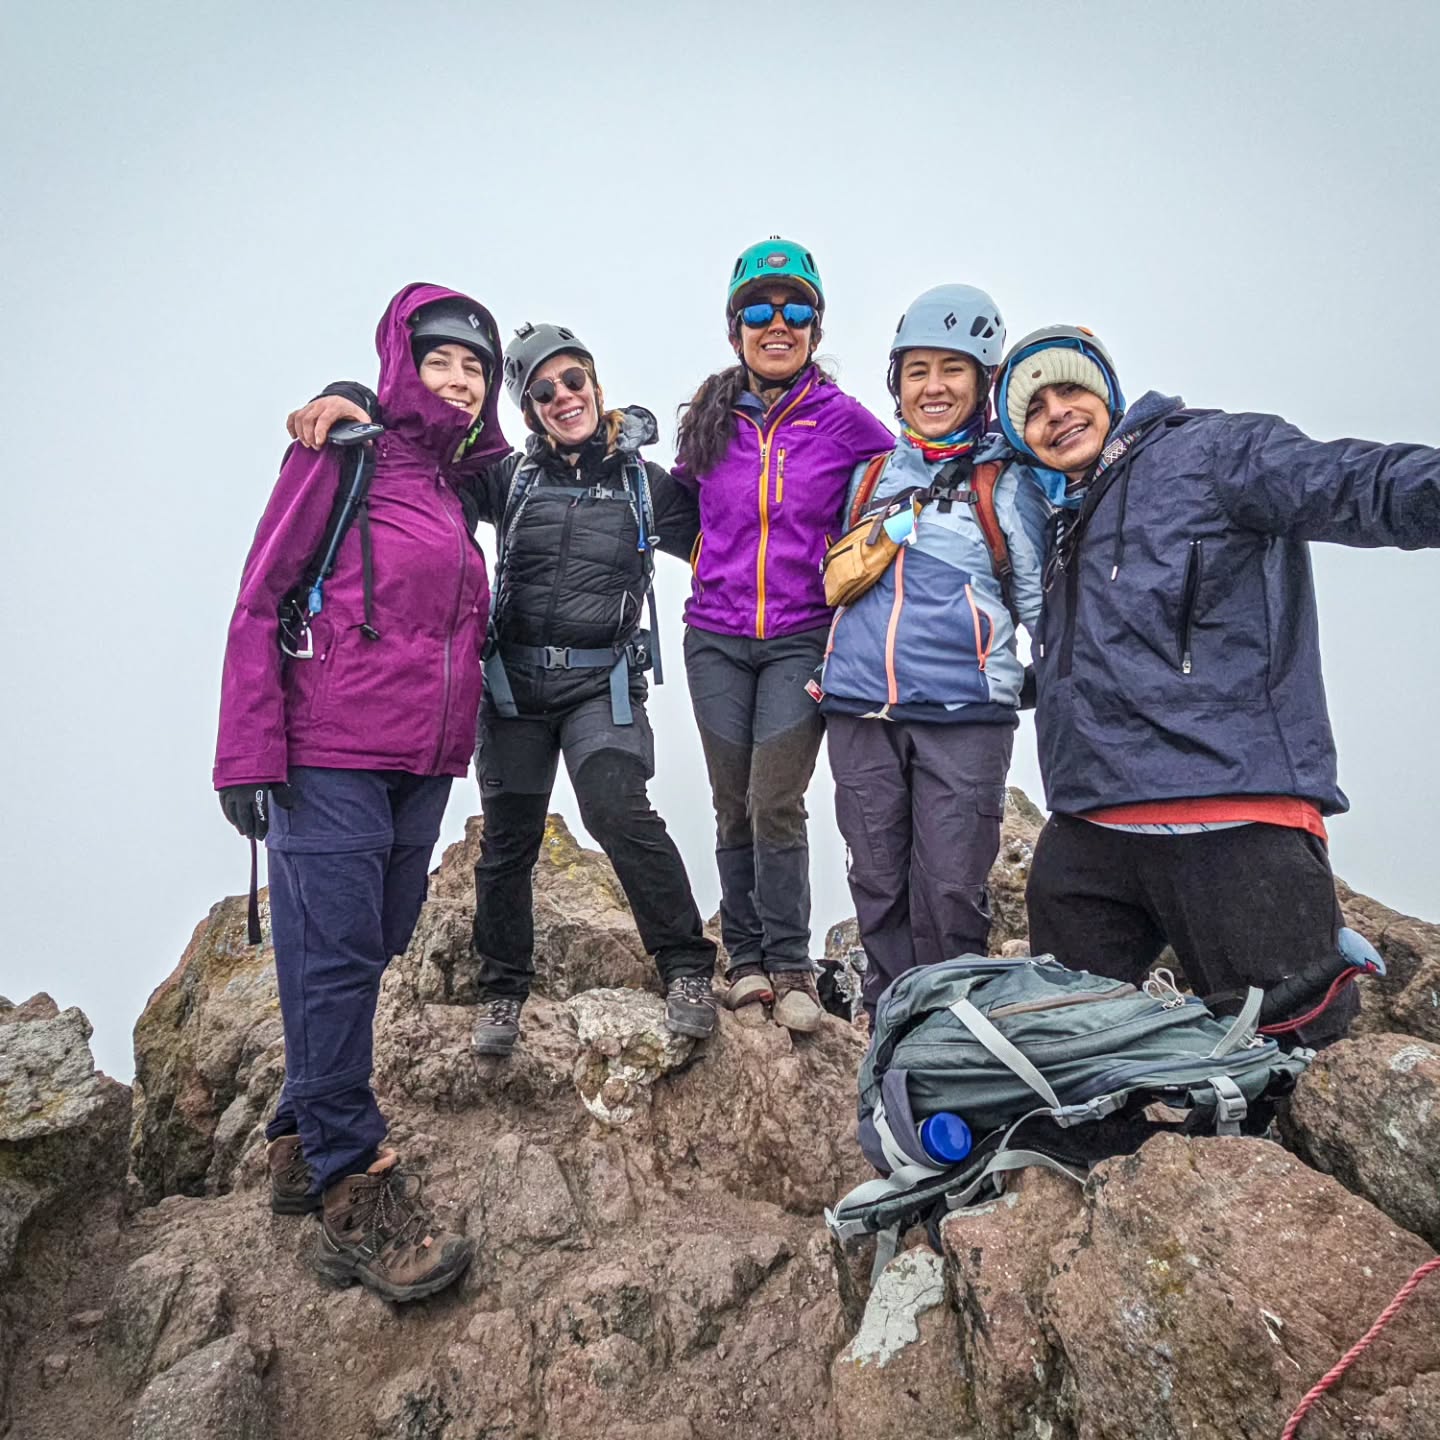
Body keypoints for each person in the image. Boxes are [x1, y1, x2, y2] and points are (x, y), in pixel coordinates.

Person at [991, 324, 1440, 1045]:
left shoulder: (1212, 451)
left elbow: (1355, 481)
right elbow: (1088, 656)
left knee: (1294, 1058)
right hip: (1089, 835)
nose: (1055, 412)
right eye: (1033, 409)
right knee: (1064, 1056)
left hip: (1234, 816)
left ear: (1107, 392)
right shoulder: (1066, 527)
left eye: (1069, 387)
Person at [285, 324, 719, 1055]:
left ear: (596, 384)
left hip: (600, 686)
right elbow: (417, 447)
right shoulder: (506, 476)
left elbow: (729, 544)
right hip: (513, 684)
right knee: (508, 841)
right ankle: (502, 991)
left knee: (617, 807)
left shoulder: (645, 487)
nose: (563, 397)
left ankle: (685, 968)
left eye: (573, 380)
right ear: (526, 410)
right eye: (543, 391)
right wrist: (352, 397)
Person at [214, 282, 508, 1301]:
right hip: (328, 750)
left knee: (370, 941)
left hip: (423, 759)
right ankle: (353, 1183)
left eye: (477, 366)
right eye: (442, 360)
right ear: (402, 360)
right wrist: (245, 754)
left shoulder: (456, 485)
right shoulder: (340, 455)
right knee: (336, 953)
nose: (460, 379)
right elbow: (260, 598)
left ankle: (297, 1135)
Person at [675, 236, 894, 1033]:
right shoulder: (709, 419)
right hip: (716, 639)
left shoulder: (844, 422)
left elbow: (908, 477)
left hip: (803, 635)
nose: (779, 322)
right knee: (731, 802)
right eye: (759, 310)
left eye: (796, 309)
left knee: (776, 799)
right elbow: (669, 510)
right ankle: (746, 963)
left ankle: (793, 967)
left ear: (816, 326)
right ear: (735, 328)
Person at [817, 285, 1048, 1020]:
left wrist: (1029, 681)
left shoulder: (1006, 488)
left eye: (953, 369)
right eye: (917, 370)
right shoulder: (871, 478)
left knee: (950, 887)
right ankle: (892, 1028)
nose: (934, 387)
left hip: (965, 717)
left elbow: (1042, 608)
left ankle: (955, 1033)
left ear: (984, 381)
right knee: (877, 883)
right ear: (897, 384)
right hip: (859, 711)